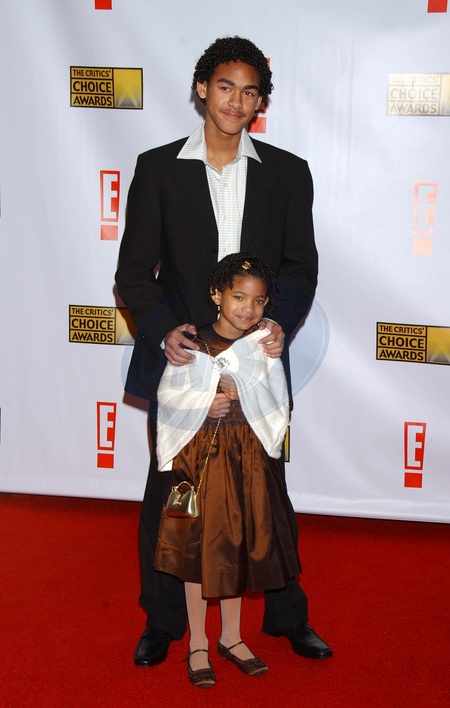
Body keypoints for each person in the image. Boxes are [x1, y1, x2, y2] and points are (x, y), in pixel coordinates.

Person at [115, 35, 332, 667]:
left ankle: (287, 616)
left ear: (261, 102)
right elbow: (133, 272)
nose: (236, 101)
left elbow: (300, 267)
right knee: (170, 490)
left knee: (268, 488)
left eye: (250, 92)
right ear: (202, 89)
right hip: (184, 357)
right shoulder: (158, 168)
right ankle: (162, 621)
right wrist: (164, 329)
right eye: (225, 86)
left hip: (258, 360)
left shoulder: (287, 172)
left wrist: (277, 324)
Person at [154, 253, 301, 686]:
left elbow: (277, 400)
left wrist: (243, 395)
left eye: (258, 301)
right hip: (199, 463)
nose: (247, 308)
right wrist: (204, 404)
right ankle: (198, 641)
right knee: (196, 550)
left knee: (236, 546)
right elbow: (168, 398)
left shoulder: (263, 346)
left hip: (247, 461)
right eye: (238, 297)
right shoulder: (191, 344)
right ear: (217, 295)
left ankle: (232, 637)